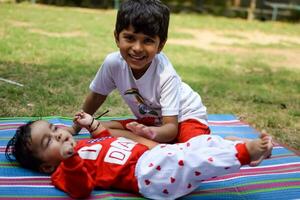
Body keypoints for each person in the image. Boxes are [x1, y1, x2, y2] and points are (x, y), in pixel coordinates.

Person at [6, 111, 273, 200]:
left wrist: (91, 125)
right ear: (46, 166)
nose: (59, 135)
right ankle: (243, 153)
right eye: (48, 141)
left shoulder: (86, 145)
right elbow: (82, 190)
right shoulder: (63, 171)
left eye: (54, 128)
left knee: (197, 144)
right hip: (146, 176)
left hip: (154, 157)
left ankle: (233, 147)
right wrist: (70, 159)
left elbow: (106, 141)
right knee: (190, 160)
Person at [71, 0, 209, 143]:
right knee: (108, 126)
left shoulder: (166, 75)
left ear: (160, 45)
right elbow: (96, 97)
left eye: (147, 41)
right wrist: (74, 128)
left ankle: (232, 144)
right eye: (130, 38)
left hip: (185, 119)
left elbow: (170, 130)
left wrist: (149, 133)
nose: (137, 48)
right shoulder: (113, 63)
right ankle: (133, 135)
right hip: (153, 122)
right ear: (117, 38)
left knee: (195, 149)